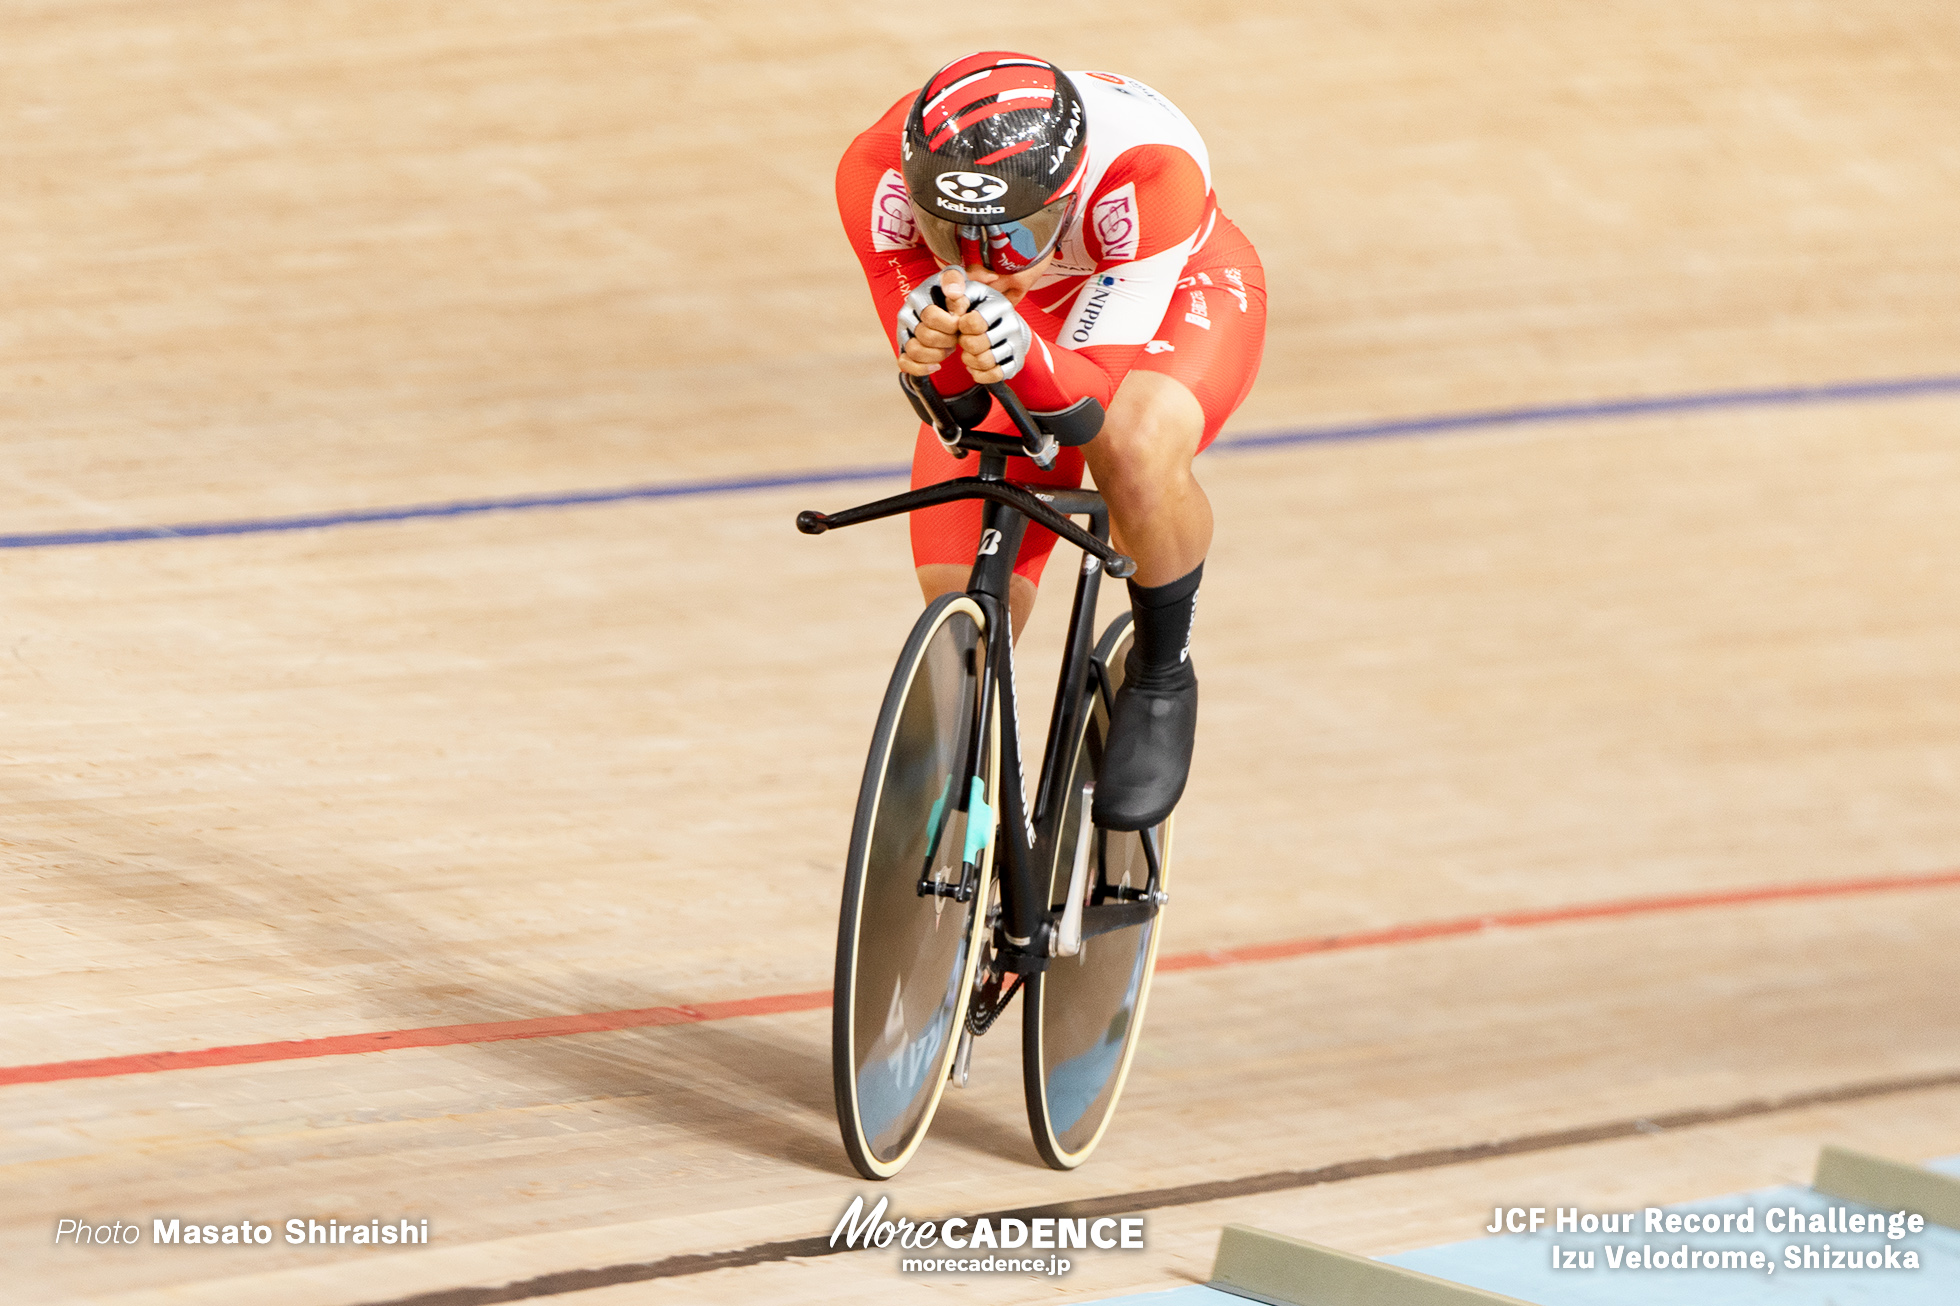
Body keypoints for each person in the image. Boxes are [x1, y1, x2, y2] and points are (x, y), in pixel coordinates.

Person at [836, 51, 1265, 832]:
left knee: (1132, 447)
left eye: (1011, 232)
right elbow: (950, 402)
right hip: (1035, 313)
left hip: (1169, 290)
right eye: (947, 230)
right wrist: (937, 354)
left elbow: (1084, 406)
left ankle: (1163, 670)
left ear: (1064, 197)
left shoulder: (1150, 175)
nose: (975, 256)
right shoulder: (875, 170)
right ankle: (969, 793)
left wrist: (1021, 349)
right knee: (960, 597)